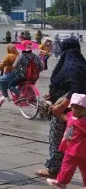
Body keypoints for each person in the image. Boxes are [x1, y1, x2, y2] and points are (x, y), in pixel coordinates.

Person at [36, 38, 86, 179]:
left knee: (58, 140)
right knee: (73, 142)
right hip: (82, 111)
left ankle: (54, 170)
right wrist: (53, 94)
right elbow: (69, 85)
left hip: (69, 111)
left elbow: (75, 87)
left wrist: (61, 106)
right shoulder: (82, 63)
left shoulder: (70, 65)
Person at [46, 93, 86, 188]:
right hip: (79, 150)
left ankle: (61, 182)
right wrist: (57, 111)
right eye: (75, 107)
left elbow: (68, 119)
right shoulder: (72, 115)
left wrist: (58, 111)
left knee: (67, 166)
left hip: (74, 149)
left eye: (81, 108)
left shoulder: (81, 121)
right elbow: (66, 118)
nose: (77, 110)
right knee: (84, 168)